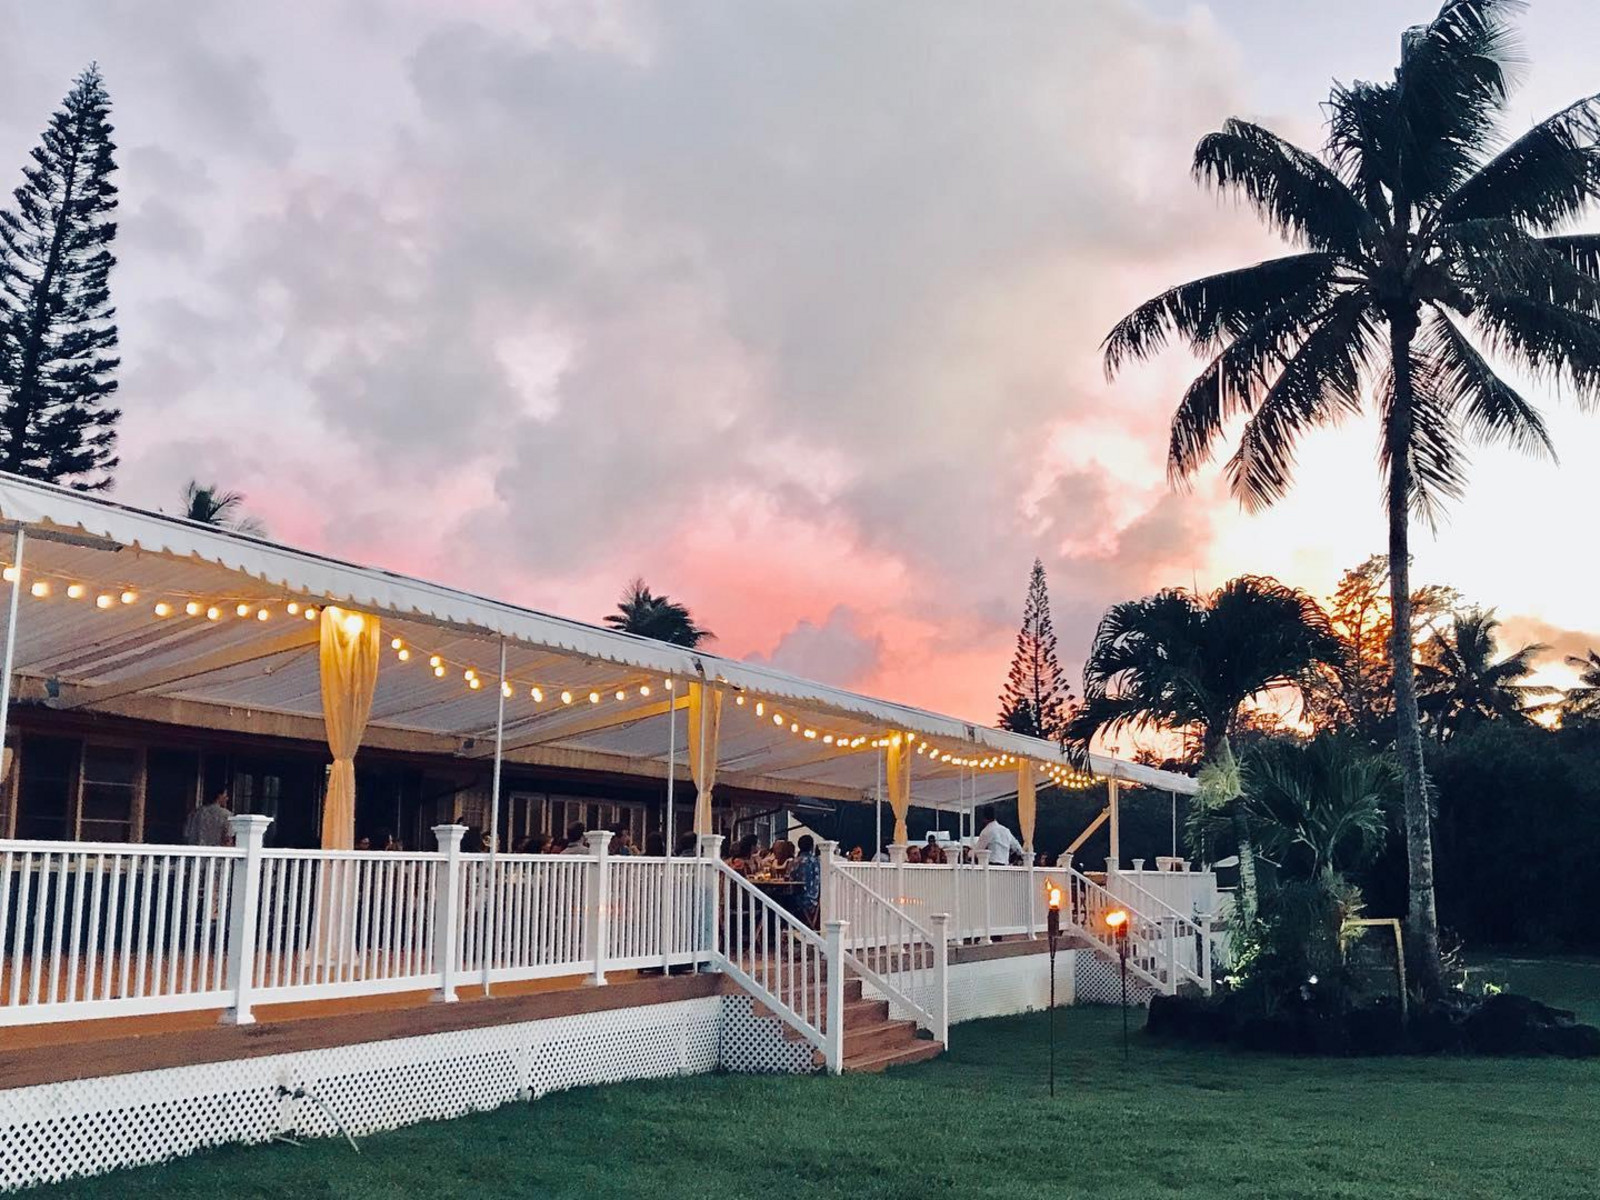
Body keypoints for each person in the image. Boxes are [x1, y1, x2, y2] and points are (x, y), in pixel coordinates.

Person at [792, 835, 822, 928]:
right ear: (811, 846)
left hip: (801, 899)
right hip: (814, 899)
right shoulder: (816, 861)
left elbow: (790, 877)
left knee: (781, 901)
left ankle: (786, 929)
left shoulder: (796, 861)